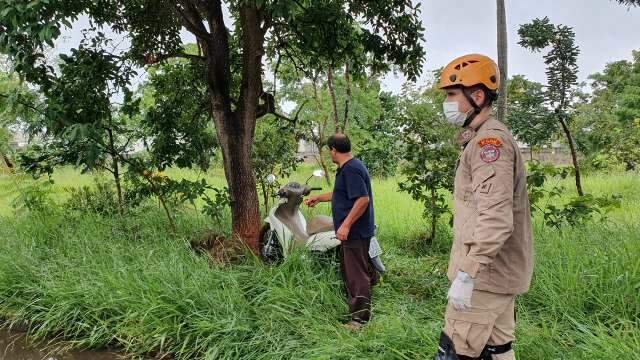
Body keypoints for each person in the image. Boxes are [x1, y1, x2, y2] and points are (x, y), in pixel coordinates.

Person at [433, 54, 534, 360]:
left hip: (484, 276)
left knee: (455, 349)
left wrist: (467, 274)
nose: (447, 102)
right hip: (497, 273)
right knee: (497, 348)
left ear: (477, 96)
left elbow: (496, 219)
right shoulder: (479, 138)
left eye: (452, 94)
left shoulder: (489, 144)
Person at [305, 133, 378, 330]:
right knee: (354, 270)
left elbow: (362, 200)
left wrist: (345, 225)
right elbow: (341, 194)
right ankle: (359, 310)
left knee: (356, 274)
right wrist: (319, 198)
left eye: (330, 150)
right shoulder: (348, 167)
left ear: (333, 151)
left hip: (355, 231)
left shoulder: (351, 170)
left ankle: (359, 320)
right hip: (356, 230)